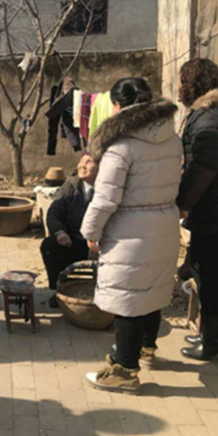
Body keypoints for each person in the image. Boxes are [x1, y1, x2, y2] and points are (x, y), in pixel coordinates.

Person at [81, 77, 181, 394]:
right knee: (152, 289)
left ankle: (124, 370)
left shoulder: (121, 145)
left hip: (130, 231)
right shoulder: (171, 137)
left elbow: (105, 199)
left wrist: (90, 231)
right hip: (164, 223)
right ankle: (146, 348)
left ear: (117, 105)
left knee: (127, 300)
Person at [176, 58, 218, 360]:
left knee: (211, 279)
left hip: (213, 216)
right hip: (211, 214)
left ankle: (212, 342)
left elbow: (203, 168)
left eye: (182, 82)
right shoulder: (207, 115)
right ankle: (209, 334)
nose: (179, 88)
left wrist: (182, 203)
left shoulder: (208, 120)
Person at [40, 153, 98, 308]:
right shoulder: (71, 186)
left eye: (88, 162)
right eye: (81, 161)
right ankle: (59, 291)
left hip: (101, 244)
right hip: (74, 241)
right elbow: (54, 212)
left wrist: (98, 241)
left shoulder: (109, 189)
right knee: (49, 247)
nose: (82, 165)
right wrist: (60, 232)